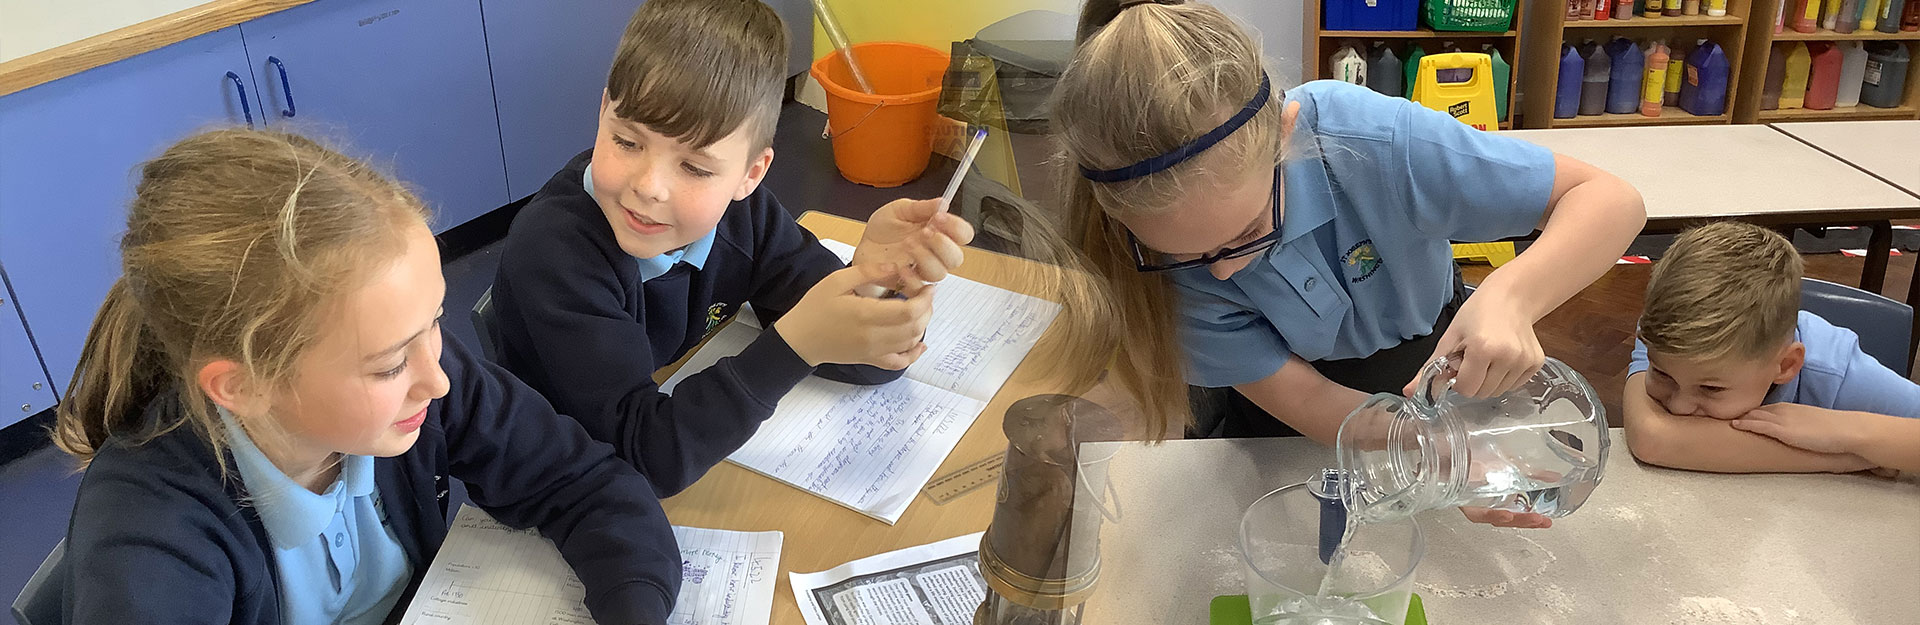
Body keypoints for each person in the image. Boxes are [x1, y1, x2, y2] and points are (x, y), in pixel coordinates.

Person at [1051, 0, 1646, 527]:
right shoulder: (1139, 259)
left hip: (1429, 360)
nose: (1223, 274)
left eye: (1248, 233)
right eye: (1184, 257)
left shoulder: (1371, 142)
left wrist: (1510, 298)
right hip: (1282, 412)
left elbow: (1610, 201)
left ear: (1286, 134)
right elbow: (1307, 402)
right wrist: (1438, 456)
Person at [57, 129, 681, 624]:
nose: (438, 380)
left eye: (435, 322)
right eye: (387, 365)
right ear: (244, 386)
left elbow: (582, 480)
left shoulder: (418, 385)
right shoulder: (148, 538)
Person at [488, 0, 973, 494]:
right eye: (627, 142)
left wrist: (871, 284)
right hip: (550, 484)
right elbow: (642, 458)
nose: (649, 187)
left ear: (750, 175)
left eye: (695, 168)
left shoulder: (745, 217)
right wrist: (795, 345)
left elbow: (870, 364)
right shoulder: (553, 252)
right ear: (603, 111)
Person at [1624, 221, 1920, 475]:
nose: (1678, 406)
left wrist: (1847, 430)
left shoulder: (1835, 373)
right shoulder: (1667, 330)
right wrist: (1850, 458)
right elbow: (1652, 439)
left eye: (1711, 388)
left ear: (1786, 365)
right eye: (1662, 374)